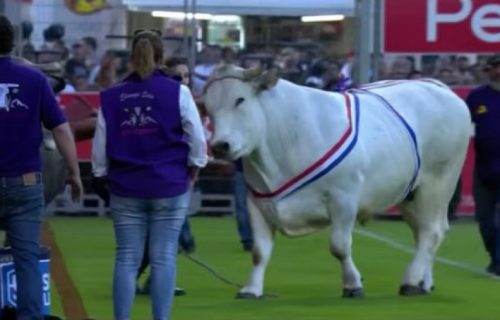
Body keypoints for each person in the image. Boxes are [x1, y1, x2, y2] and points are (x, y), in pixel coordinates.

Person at [91, 30, 207, 320]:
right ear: (161, 57)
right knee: (164, 257)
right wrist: (193, 169)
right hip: (169, 184)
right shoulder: (177, 92)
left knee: (126, 258)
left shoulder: (111, 96)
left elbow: (100, 145)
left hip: (126, 186)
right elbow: (197, 138)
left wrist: (102, 175)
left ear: (132, 56)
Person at [0, 15, 83, 319]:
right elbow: (61, 129)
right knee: (27, 261)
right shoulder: (34, 79)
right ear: (12, 43)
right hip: (24, 184)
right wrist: (74, 173)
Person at [136, 56, 198, 297]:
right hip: (163, 177)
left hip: (177, 176)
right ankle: (148, 280)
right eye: (177, 76)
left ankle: (151, 280)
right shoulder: (168, 101)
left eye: (185, 76)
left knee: (159, 237)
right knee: (162, 236)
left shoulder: (186, 100)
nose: (183, 80)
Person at [465, 54, 500, 276]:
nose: (497, 71)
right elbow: (461, 125)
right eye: (494, 67)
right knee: (485, 221)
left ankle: (498, 262)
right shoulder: (477, 97)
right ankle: (494, 256)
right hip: (485, 170)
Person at [233, 159, 253, 251]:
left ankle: (247, 239)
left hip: (241, 170)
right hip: (257, 172)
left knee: (241, 206)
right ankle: (256, 237)